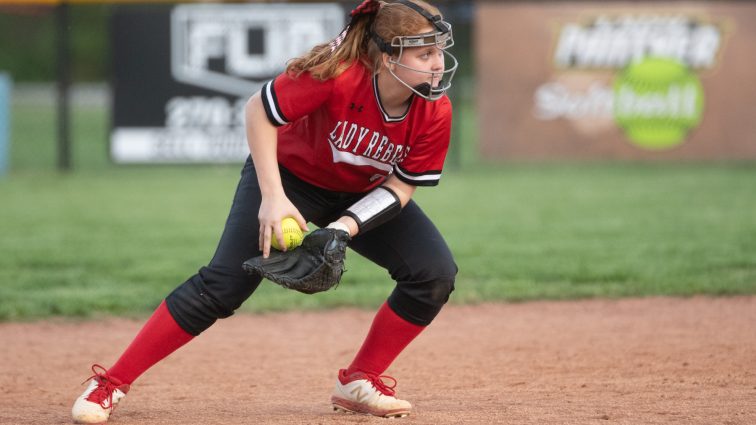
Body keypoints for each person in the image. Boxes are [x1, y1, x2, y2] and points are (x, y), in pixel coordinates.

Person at [71, 0, 458, 422]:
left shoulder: (435, 110)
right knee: (223, 286)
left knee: (433, 273)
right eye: (424, 53)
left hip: (359, 192)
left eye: (438, 51)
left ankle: (359, 379)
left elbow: (401, 186)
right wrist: (272, 197)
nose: (437, 63)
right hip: (289, 178)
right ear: (387, 56)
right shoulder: (338, 76)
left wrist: (344, 228)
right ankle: (110, 383)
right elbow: (259, 111)